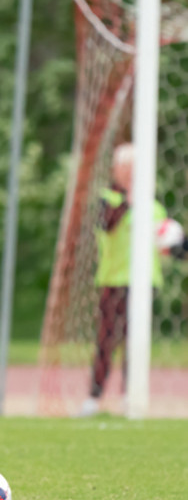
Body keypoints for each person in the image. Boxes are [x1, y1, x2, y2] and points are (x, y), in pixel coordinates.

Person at [75, 142, 172, 418]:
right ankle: (94, 398)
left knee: (136, 343)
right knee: (106, 341)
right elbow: (107, 224)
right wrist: (130, 201)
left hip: (146, 284)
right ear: (115, 169)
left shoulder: (154, 207)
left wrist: (176, 242)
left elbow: (166, 245)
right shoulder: (107, 199)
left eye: (135, 167)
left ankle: (131, 397)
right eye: (125, 166)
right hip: (114, 282)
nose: (130, 172)